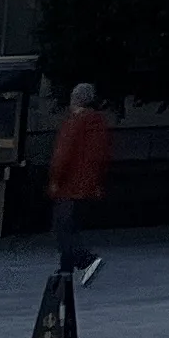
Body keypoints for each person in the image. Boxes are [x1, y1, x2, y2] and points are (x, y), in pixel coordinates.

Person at [46, 82, 111, 285]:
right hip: (87, 185)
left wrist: (55, 180)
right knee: (71, 228)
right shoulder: (98, 123)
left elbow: (63, 154)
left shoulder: (74, 122)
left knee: (62, 230)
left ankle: (85, 260)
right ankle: (65, 269)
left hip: (69, 185)